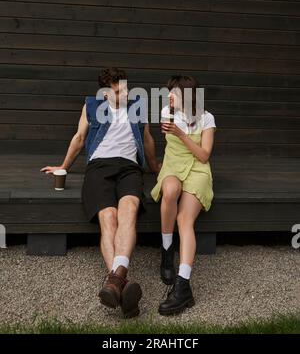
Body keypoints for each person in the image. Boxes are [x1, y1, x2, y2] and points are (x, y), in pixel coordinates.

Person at [41, 67, 160, 318]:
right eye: (119, 91)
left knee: (128, 211)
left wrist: (155, 167)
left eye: (126, 88)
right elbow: (79, 138)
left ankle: (114, 283)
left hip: (129, 168)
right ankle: (122, 284)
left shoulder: (138, 105)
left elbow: (147, 138)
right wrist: (63, 167)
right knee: (109, 218)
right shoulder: (91, 106)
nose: (125, 93)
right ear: (105, 93)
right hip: (98, 168)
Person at [151, 75, 217, 316]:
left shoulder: (207, 118)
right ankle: (167, 249)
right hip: (173, 165)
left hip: (198, 170)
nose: (169, 96)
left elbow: (204, 156)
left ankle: (183, 285)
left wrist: (181, 133)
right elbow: (170, 144)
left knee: (184, 220)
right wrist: (174, 129)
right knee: (170, 190)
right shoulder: (167, 111)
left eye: (175, 93)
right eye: (169, 92)